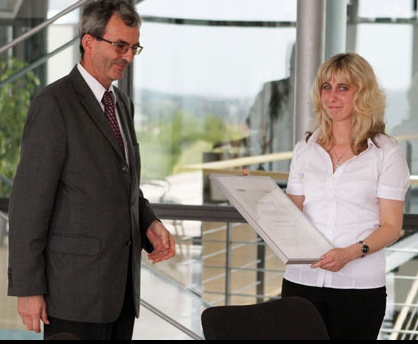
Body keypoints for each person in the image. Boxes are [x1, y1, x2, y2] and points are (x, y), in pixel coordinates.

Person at [7, 0, 176, 340]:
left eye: (133, 47)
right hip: (73, 294)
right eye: (120, 46)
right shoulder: (54, 104)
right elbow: (28, 206)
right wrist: (27, 289)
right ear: (88, 42)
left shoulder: (121, 104)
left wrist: (149, 222)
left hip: (120, 292)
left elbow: (122, 181)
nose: (127, 56)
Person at [280, 52, 410, 340]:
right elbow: (291, 213)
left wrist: (348, 254)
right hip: (301, 281)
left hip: (358, 287)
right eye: (327, 87)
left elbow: (391, 226)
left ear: (362, 94)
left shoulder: (386, 153)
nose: (332, 97)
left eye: (343, 88)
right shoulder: (305, 149)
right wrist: (260, 199)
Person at [245, 43, 295, 172]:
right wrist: (255, 166)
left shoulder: (324, 95)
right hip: (274, 170)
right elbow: (254, 129)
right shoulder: (272, 90)